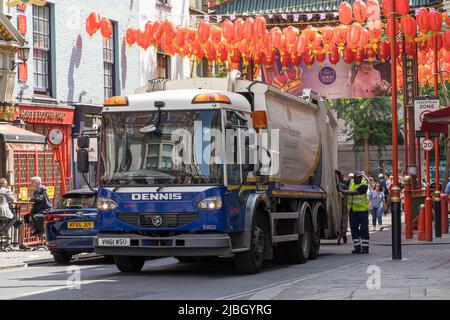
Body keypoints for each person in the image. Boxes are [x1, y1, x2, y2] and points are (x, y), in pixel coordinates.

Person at [338, 171, 370, 254]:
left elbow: (353, 193)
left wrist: (341, 191)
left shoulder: (364, 185)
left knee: (364, 229)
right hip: (353, 211)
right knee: (354, 229)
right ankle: (357, 247)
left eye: (360, 177)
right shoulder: (351, 182)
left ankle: (365, 248)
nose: (359, 178)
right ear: (354, 177)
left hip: (363, 211)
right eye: (357, 177)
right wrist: (338, 174)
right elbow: (343, 181)